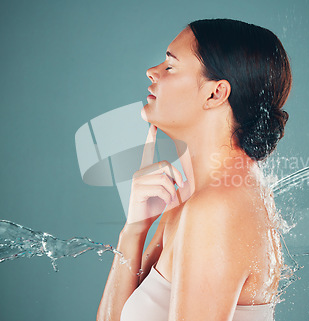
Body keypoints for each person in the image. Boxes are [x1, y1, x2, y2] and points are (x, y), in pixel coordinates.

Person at [97, 18, 292, 321]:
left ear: (215, 93)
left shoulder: (216, 208)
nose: (153, 72)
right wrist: (134, 230)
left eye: (170, 66)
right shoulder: (192, 195)